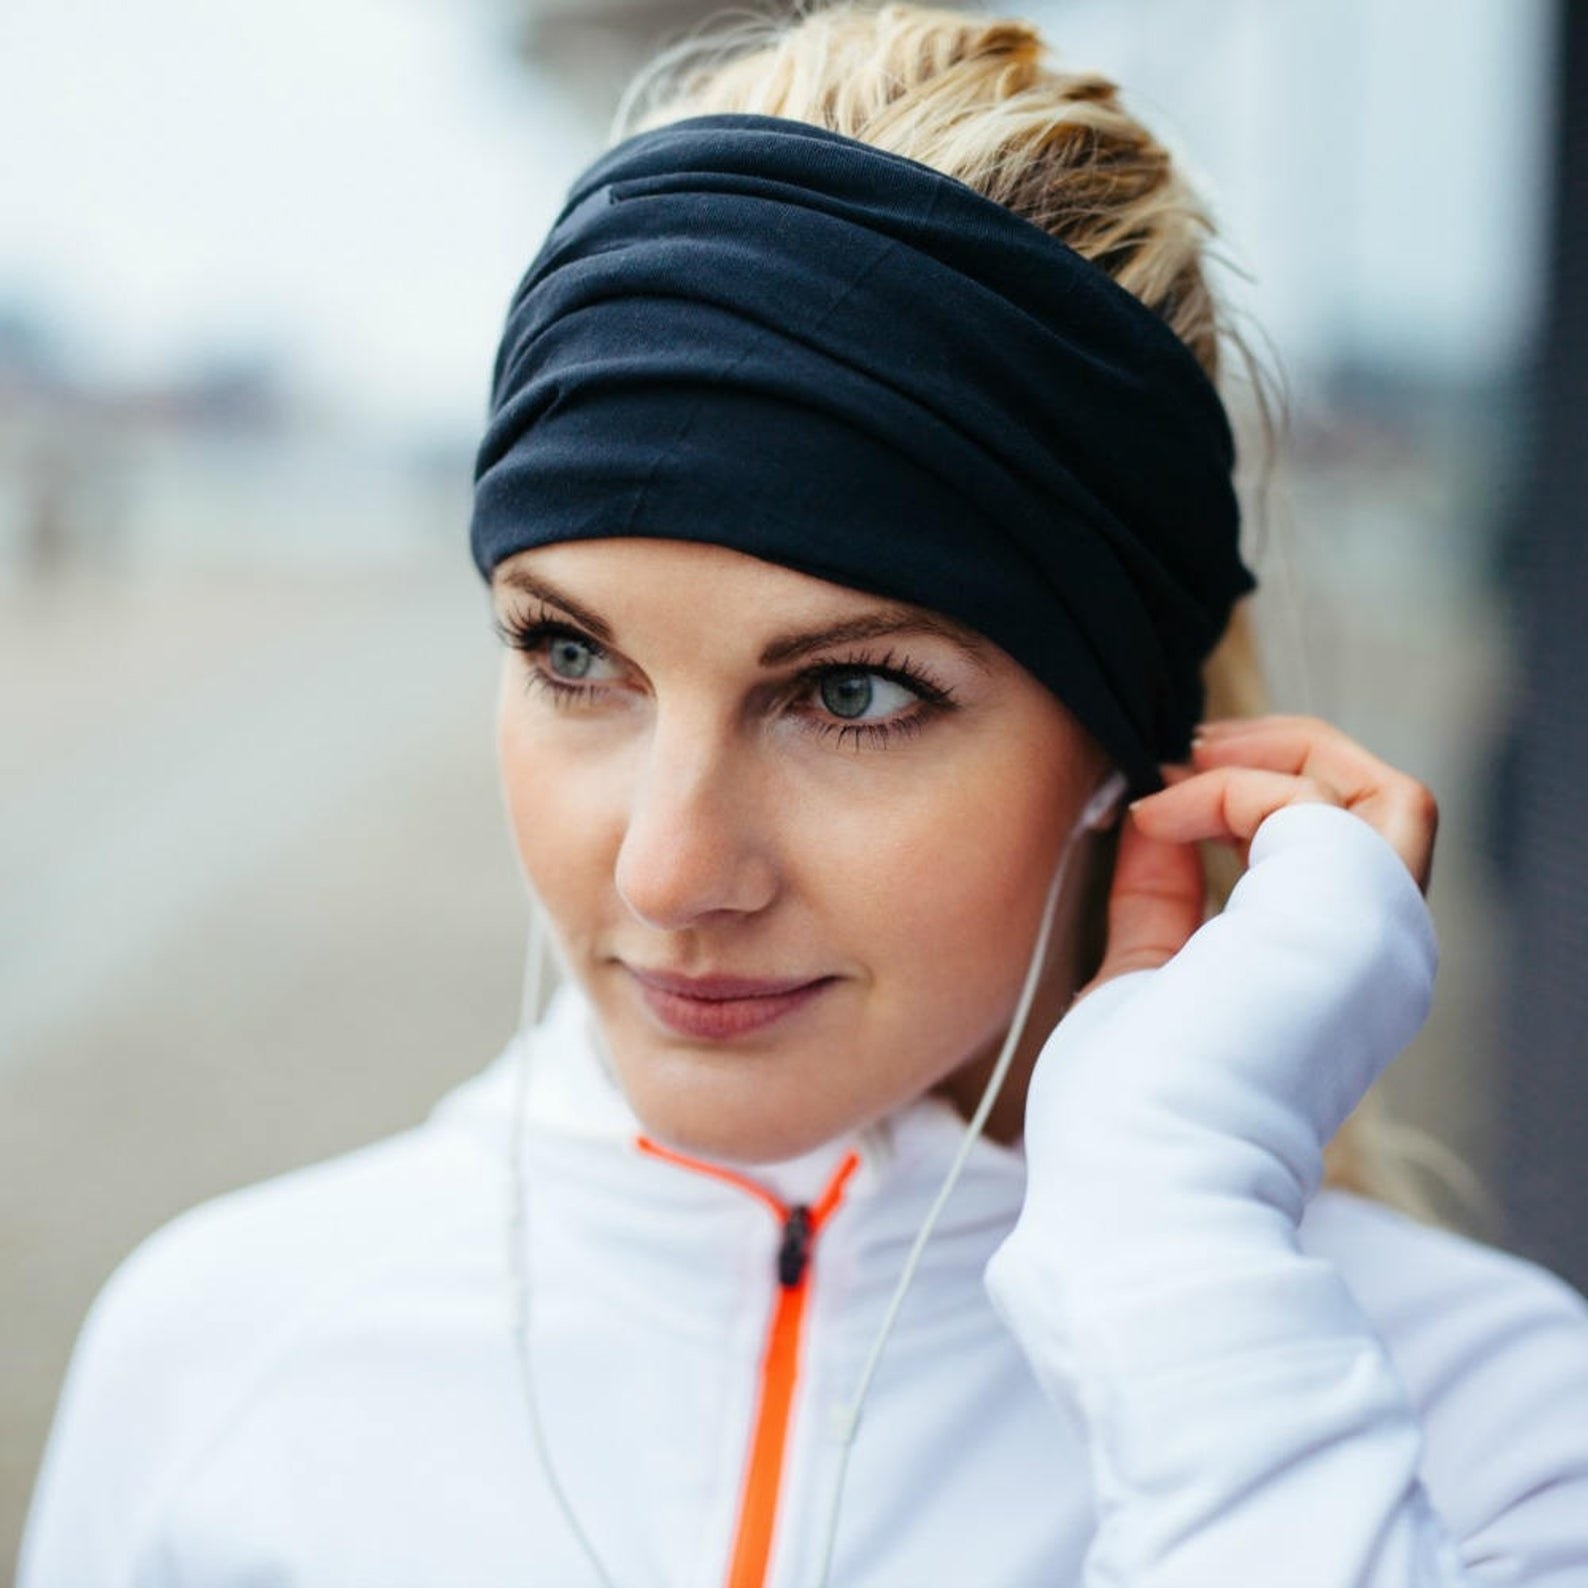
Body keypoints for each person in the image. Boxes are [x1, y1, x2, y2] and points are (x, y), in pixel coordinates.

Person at [19, 4, 1588, 1585]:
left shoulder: (1486, 1438)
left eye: (851, 692)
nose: (667, 868)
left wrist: (1178, 1275)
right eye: (574, 657)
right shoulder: (220, 1361)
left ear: (1126, 744)